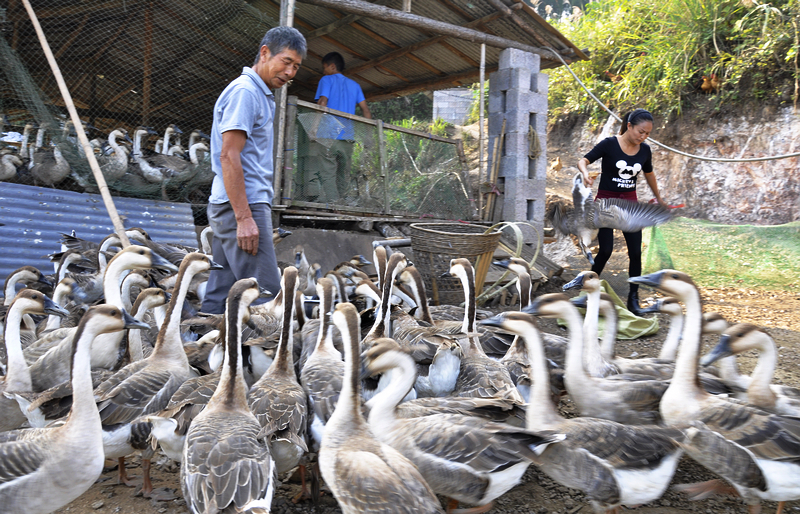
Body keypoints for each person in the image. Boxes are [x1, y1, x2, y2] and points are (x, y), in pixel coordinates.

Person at [201, 26, 306, 314]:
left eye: (296, 66)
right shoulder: (246, 92)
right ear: (264, 53)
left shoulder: (260, 94)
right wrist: (245, 217)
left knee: (221, 292)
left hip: (229, 203)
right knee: (266, 296)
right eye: (286, 61)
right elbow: (228, 155)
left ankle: (196, 347)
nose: (290, 72)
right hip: (242, 204)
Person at [577, 108, 667, 315]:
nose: (643, 137)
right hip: (606, 204)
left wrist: (659, 198)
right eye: (640, 132)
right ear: (629, 126)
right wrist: (585, 174)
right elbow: (584, 160)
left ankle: (633, 299)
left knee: (635, 253)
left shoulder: (644, 150)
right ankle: (586, 291)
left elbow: (649, 174)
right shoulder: (609, 144)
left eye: (647, 134)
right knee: (606, 250)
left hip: (629, 206)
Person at [303, 51, 371, 202]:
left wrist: (313, 129)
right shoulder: (355, 85)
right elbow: (366, 110)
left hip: (328, 135)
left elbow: (322, 103)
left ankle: (335, 206)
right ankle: (342, 204)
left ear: (332, 66)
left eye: (324, 68)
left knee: (328, 173)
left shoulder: (326, 80)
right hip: (348, 137)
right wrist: (368, 136)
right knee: (343, 174)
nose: (323, 71)